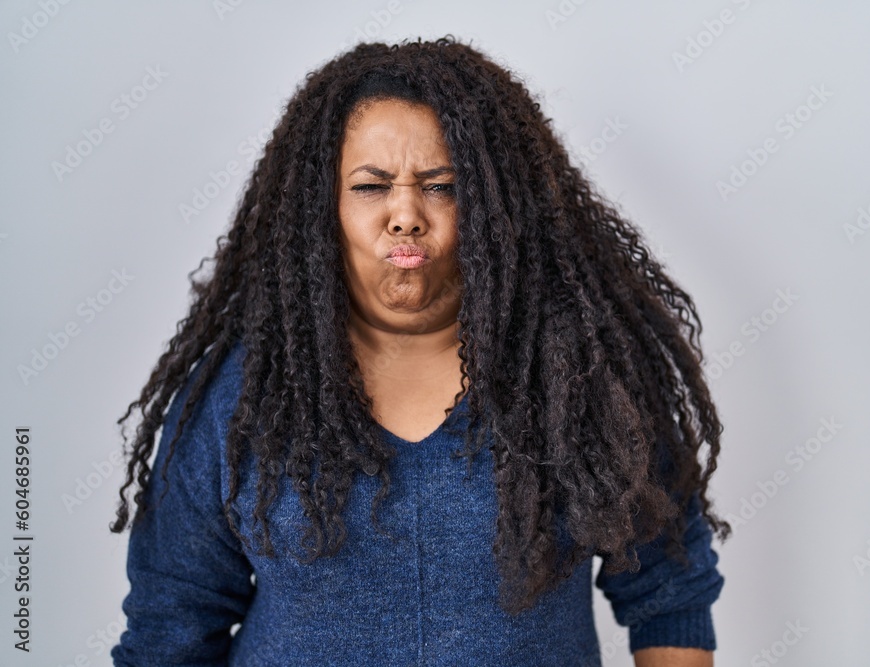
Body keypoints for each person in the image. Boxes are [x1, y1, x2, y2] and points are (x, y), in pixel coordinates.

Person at [108, 35, 730, 666]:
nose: (405, 214)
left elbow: (669, 591)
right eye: (371, 186)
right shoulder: (238, 398)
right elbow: (171, 628)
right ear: (321, 208)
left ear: (497, 207)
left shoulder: (583, 382)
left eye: (442, 186)